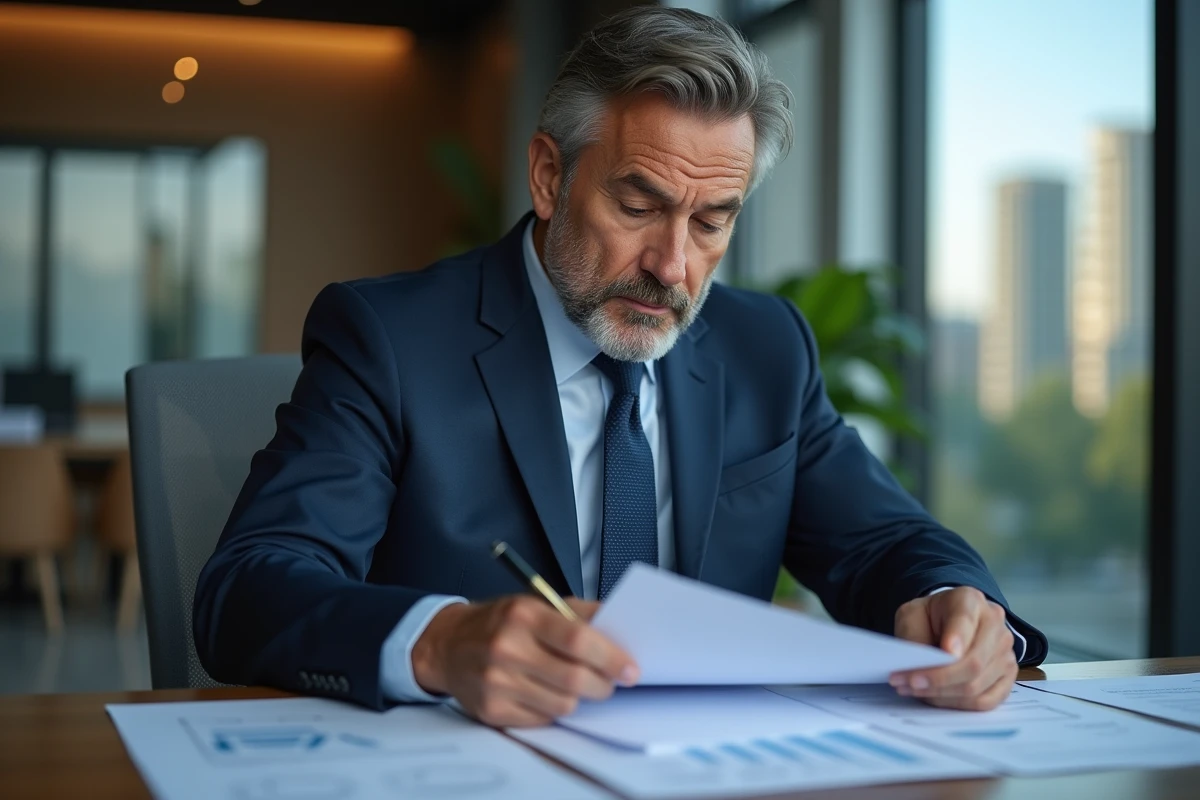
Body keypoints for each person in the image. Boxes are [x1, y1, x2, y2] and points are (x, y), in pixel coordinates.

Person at [193, 6, 1046, 727]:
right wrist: (438, 642)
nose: (673, 266)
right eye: (639, 205)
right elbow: (251, 585)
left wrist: (956, 606)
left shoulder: (768, 349)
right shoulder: (389, 336)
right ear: (548, 175)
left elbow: (888, 541)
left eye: (713, 220)